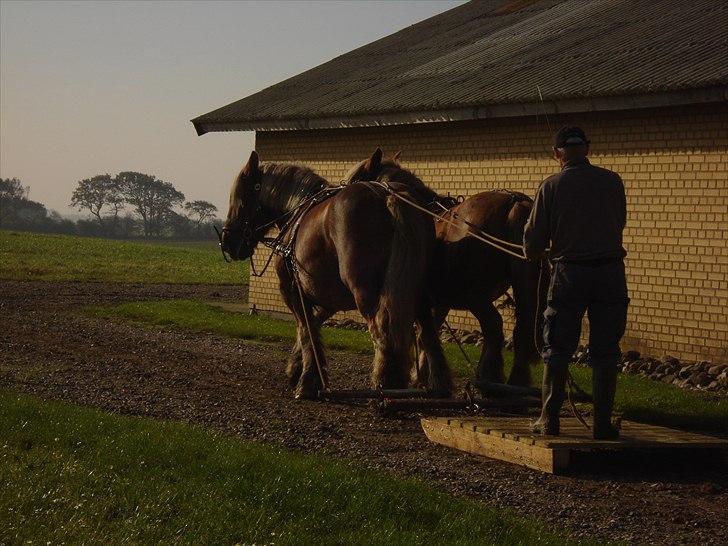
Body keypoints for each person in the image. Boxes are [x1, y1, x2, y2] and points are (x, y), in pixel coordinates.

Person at [523, 126, 628, 439]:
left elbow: (533, 241)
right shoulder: (613, 181)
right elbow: (619, 221)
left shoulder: (551, 186)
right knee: (607, 350)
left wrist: (535, 251)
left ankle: (548, 419)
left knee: (556, 346)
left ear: (558, 153)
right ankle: (602, 425)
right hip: (611, 273)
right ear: (588, 149)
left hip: (570, 273)